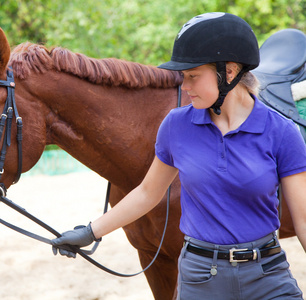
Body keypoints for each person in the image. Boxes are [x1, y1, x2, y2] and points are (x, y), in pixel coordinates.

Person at [51, 12, 306, 299]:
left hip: (267, 276)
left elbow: (304, 222)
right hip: (200, 279)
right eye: (183, 78)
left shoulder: (282, 133)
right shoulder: (176, 125)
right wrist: (90, 232)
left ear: (230, 72)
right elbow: (148, 192)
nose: (184, 87)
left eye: (193, 77)